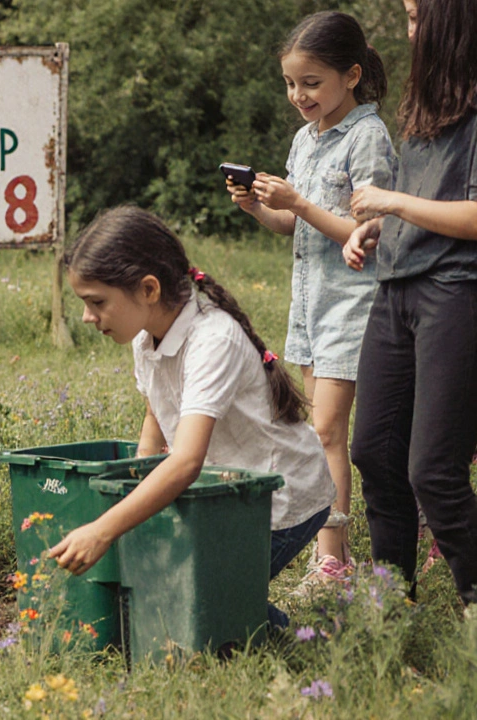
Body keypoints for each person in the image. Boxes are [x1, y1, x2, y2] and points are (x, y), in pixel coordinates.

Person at [52, 206, 335, 627]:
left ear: (148, 289)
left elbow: (185, 461)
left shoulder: (212, 340)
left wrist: (104, 529)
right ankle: (239, 614)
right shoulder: (146, 335)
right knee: (162, 588)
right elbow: (156, 412)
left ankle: (292, 636)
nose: (86, 317)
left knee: (187, 603)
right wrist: (134, 491)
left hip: (279, 500)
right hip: (222, 495)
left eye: (97, 302)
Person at [225, 11, 397, 587]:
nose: (299, 95)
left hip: (354, 303)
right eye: (291, 84)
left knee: (327, 431)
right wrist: (259, 206)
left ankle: (334, 560)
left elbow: (365, 232)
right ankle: (337, 553)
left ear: (351, 75)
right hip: (310, 306)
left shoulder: (368, 136)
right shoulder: (306, 137)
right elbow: (291, 227)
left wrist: (297, 202)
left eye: (311, 83)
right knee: (323, 431)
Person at [342, 0, 477, 605]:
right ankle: (392, 603)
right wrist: (377, 226)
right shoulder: (427, 102)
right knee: (373, 450)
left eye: (419, 17)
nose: (409, 29)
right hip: (396, 288)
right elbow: (420, 196)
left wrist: (392, 206)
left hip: (456, 291)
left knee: (435, 474)